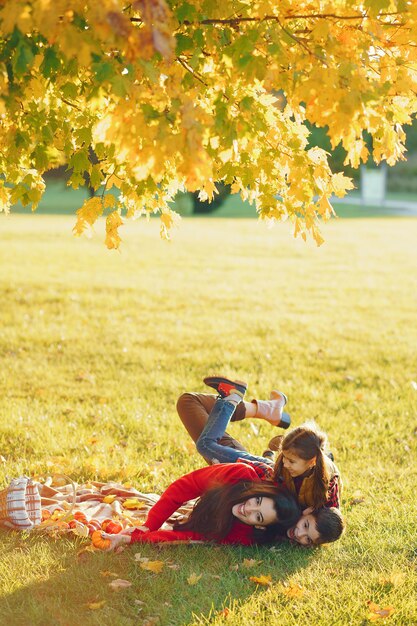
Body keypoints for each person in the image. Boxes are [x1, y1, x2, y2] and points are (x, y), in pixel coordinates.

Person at [177, 376, 345, 545]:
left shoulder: (308, 525)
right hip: (250, 471)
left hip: (244, 482)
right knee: (190, 406)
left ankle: (265, 410)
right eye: (306, 525)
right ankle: (255, 407)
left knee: (188, 403)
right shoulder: (322, 490)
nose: (299, 533)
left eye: (307, 539)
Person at [100, 462, 301, 550]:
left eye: (258, 517)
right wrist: (149, 524)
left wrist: (131, 539)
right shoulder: (239, 474)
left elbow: (188, 537)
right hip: (243, 464)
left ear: (260, 527)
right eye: (256, 501)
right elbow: (186, 486)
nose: (247, 509)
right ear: (259, 493)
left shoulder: (243, 535)